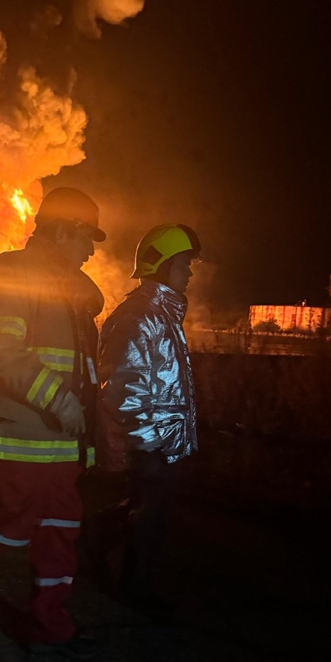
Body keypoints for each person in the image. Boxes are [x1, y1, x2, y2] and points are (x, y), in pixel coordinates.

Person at [0, 186, 106, 659]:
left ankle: (50, 622)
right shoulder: (15, 272)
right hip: (21, 437)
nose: (91, 249)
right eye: (86, 237)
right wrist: (58, 399)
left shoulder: (69, 292)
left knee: (61, 529)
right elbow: (0, 348)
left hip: (62, 443)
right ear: (61, 231)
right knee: (12, 526)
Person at [96, 224, 202, 615]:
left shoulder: (160, 314)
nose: (189, 272)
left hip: (162, 445)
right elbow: (124, 387)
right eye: (184, 263)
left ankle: (103, 551)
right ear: (161, 265)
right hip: (150, 446)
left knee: (147, 515)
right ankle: (134, 590)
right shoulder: (141, 316)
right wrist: (149, 447)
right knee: (145, 518)